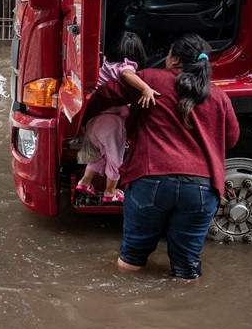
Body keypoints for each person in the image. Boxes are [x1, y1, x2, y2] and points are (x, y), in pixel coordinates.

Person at [83, 33, 239, 280]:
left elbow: (106, 94)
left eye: (168, 55)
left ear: (175, 59)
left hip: (150, 180)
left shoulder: (149, 79)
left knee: (132, 258)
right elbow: (231, 139)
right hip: (201, 189)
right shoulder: (219, 97)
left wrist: (83, 122)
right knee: (187, 266)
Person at [75, 32, 159, 204]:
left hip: (93, 120)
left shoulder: (105, 64)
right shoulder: (126, 65)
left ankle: (85, 182)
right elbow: (127, 74)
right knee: (115, 159)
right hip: (110, 122)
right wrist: (146, 88)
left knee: (100, 155)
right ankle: (110, 191)